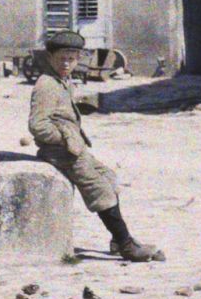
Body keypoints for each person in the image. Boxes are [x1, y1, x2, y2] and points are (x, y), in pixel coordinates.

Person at [28, 29, 165, 262]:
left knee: (109, 178)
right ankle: (126, 245)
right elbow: (37, 126)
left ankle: (116, 238)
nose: (66, 63)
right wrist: (65, 138)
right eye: (61, 58)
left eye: (71, 59)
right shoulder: (46, 84)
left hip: (73, 149)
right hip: (61, 153)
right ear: (50, 57)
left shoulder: (63, 80)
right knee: (99, 189)